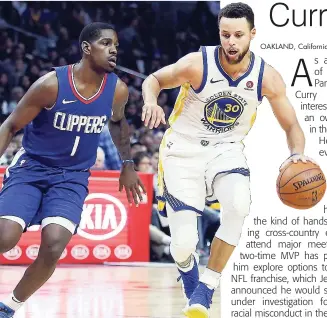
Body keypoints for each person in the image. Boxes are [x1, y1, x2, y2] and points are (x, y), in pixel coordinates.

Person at [141, 3, 315, 317]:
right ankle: (190, 281)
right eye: (225, 34)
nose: (230, 41)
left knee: (238, 205)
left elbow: (292, 126)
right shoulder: (197, 63)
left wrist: (297, 155)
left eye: (238, 35)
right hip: (183, 149)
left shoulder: (267, 76)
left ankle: (206, 288)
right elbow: (153, 79)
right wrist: (151, 102)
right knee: (182, 244)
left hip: (226, 148)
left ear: (252, 34)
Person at [0, 22, 145, 318]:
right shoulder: (50, 85)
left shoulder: (117, 90)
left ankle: (8, 308)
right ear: (86, 48)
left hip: (72, 178)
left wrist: (128, 164)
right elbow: (11, 125)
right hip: (32, 168)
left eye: (116, 44)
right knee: (5, 238)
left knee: (54, 246)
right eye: (106, 43)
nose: (114, 49)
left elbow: (118, 123)